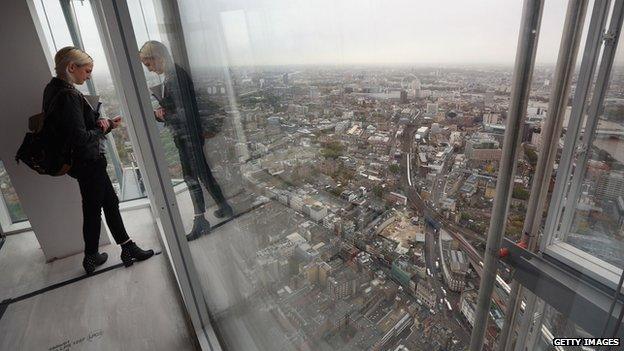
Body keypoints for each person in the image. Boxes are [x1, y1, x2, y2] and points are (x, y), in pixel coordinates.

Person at [45, 46, 154, 275]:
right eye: (87, 70)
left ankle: (116, 249)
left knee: (106, 203)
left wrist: (97, 124)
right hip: (88, 162)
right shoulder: (68, 95)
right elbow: (80, 137)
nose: (89, 75)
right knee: (96, 208)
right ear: (71, 67)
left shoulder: (52, 88)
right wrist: (105, 127)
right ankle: (100, 254)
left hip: (80, 163)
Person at [139, 41, 233, 241]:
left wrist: (163, 115)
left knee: (191, 178)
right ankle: (224, 207)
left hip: (187, 136)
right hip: (190, 135)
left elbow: (184, 113)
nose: (149, 68)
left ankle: (200, 220)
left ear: (158, 57)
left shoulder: (174, 77)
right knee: (203, 174)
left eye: (149, 64)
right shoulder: (175, 74)